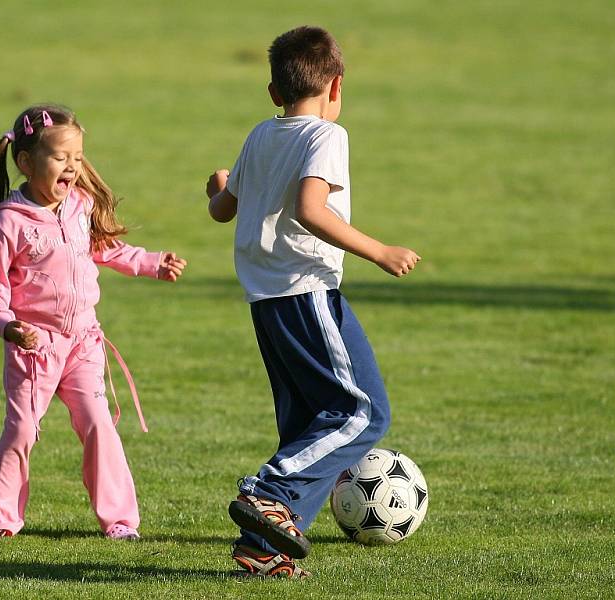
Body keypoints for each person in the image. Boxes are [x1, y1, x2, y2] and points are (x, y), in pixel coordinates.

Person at [206, 26, 420, 578]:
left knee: (306, 423)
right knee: (363, 412)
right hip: (306, 291)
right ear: (337, 84)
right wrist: (378, 250)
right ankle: (268, 492)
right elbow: (310, 208)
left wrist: (217, 188)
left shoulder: (260, 134)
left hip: (266, 298)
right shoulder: (327, 135)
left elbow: (223, 210)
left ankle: (264, 548)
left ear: (273, 92)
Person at [0, 104, 187, 543]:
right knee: (23, 429)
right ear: (26, 163)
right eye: (61, 157)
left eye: (78, 157)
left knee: (99, 423)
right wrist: (7, 325)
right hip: (34, 348)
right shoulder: (10, 221)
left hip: (84, 341)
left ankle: (121, 521)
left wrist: (153, 263)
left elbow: (106, 249)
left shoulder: (80, 206)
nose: (72, 167)